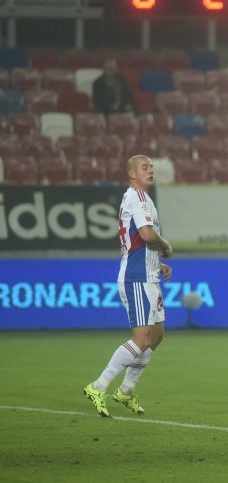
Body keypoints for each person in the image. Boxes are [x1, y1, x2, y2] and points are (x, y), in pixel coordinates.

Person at [83, 155, 172, 417]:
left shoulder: (142, 199)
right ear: (132, 173)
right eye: (145, 167)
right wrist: (165, 246)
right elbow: (146, 235)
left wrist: (157, 264)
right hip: (137, 277)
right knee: (142, 337)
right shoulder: (136, 196)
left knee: (156, 337)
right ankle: (98, 386)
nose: (150, 171)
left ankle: (126, 390)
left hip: (148, 275)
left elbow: (139, 242)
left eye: (152, 167)